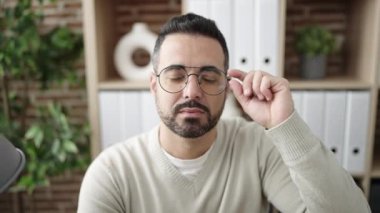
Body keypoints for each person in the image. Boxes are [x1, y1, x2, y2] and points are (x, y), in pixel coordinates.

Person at [78, 13, 370, 212]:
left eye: (208, 77)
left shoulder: (259, 146)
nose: (192, 91)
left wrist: (285, 124)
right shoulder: (111, 173)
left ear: (227, 86)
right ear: (154, 85)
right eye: (176, 75)